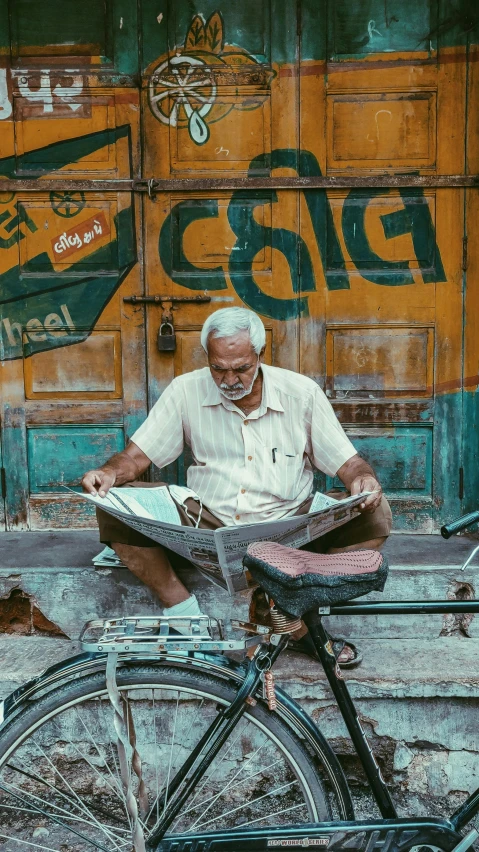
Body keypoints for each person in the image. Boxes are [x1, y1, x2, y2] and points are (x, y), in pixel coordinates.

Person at [82, 308, 392, 666]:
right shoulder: (186, 390)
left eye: (241, 368)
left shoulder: (300, 394)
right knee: (115, 504)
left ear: (260, 355)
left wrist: (361, 479)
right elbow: (136, 458)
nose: (229, 378)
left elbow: (349, 463)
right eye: (219, 368)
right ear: (208, 358)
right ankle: (185, 614)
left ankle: (284, 607)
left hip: (289, 525)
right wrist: (108, 473)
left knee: (375, 514)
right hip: (209, 521)